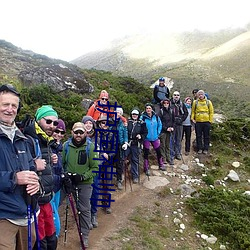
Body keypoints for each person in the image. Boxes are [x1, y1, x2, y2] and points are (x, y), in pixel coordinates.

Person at [0, 84, 40, 250]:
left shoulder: (22, 137)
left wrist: (36, 181)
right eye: (5, 104)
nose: (10, 109)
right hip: (4, 217)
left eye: (14, 105)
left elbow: (31, 168)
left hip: (27, 214)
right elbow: (17, 176)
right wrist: (14, 178)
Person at [23, 105, 59, 249]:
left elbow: (45, 168)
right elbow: (17, 165)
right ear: (38, 120)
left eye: (55, 123)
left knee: (51, 238)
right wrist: (33, 164)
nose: (52, 126)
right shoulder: (28, 139)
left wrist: (52, 159)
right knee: (41, 242)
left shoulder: (46, 140)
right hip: (35, 203)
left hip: (47, 199)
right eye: (48, 121)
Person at [62, 122, 99, 248]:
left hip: (85, 183)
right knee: (75, 207)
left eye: (81, 132)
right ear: (72, 132)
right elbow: (61, 164)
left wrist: (83, 176)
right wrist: (65, 176)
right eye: (76, 132)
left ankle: (85, 235)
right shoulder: (66, 146)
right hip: (70, 183)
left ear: (86, 133)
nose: (78, 135)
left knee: (84, 209)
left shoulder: (91, 147)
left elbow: (95, 168)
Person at [95, 114, 117, 214]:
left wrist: (109, 155)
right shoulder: (95, 135)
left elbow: (114, 149)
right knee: (96, 185)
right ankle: (94, 206)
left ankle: (106, 204)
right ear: (99, 124)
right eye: (103, 122)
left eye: (106, 123)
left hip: (108, 163)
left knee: (107, 184)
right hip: (97, 163)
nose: (105, 124)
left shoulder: (112, 135)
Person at [82, 115, 99, 228]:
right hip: (82, 170)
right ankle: (86, 217)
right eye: (86, 123)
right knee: (84, 195)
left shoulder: (97, 136)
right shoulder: (78, 135)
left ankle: (93, 214)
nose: (88, 125)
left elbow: (101, 151)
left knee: (95, 191)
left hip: (94, 169)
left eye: (90, 123)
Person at [50, 119, 66, 238]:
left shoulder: (59, 148)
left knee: (54, 214)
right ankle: (54, 238)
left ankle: (54, 239)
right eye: (57, 131)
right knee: (53, 216)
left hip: (58, 187)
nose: (59, 134)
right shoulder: (49, 146)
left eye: (62, 132)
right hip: (50, 188)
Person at [140, 103, 165, 175]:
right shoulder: (143, 117)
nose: (148, 109)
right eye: (147, 108)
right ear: (145, 109)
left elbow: (160, 125)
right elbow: (140, 126)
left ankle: (161, 164)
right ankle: (146, 168)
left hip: (155, 137)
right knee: (146, 153)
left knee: (158, 151)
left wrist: (158, 133)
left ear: (152, 109)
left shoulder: (156, 116)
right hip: (146, 138)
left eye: (149, 108)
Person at [125, 108, 147, 183]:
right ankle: (121, 175)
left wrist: (141, 136)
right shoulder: (128, 122)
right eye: (133, 114)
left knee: (135, 159)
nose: (134, 115)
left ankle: (135, 176)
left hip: (136, 143)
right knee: (122, 157)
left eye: (136, 114)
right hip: (127, 143)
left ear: (138, 115)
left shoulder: (142, 123)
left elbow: (145, 133)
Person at [191, 89, 214, 155]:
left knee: (206, 136)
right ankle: (200, 148)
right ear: (197, 95)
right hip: (198, 122)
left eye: (201, 94)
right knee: (198, 135)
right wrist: (192, 118)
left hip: (206, 121)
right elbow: (193, 111)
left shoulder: (208, 102)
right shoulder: (195, 102)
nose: (200, 96)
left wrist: (210, 120)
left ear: (204, 94)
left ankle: (206, 149)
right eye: (199, 94)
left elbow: (211, 112)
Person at [169, 91, 188, 161]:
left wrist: (181, 119)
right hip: (172, 124)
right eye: (175, 95)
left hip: (180, 124)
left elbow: (186, 113)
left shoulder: (182, 104)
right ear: (172, 96)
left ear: (179, 96)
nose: (176, 96)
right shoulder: (169, 103)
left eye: (177, 95)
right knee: (171, 139)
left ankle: (178, 153)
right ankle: (171, 154)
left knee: (178, 139)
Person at [114, 107, 128, 190]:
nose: (117, 114)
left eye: (119, 113)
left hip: (120, 146)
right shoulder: (110, 122)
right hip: (111, 146)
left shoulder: (123, 124)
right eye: (116, 112)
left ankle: (119, 180)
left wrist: (126, 142)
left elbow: (125, 133)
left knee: (119, 163)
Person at [158, 98, 175, 166]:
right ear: (162, 104)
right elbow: (160, 122)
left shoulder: (171, 111)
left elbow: (173, 121)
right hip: (163, 131)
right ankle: (164, 158)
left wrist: (172, 127)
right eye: (164, 103)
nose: (166, 104)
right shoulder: (161, 112)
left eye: (167, 103)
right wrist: (166, 128)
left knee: (168, 145)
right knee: (163, 145)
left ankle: (168, 158)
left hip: (169, 131)